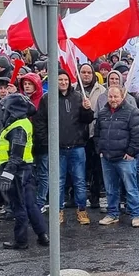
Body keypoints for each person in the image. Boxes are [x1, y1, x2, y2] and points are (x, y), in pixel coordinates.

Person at [0, 93, 49, 249]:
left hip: (17, 171)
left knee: (18, 206)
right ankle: (42, 236)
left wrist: (7, 174)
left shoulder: (18, 127)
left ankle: (21, 241)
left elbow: (15, 154)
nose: (3, 110)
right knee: (31, 205)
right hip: (25, 169)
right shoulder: (23, 123)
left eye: (5, 108)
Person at [94, 84, 139, 227]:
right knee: (110, 189)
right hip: (107, 157)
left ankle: (136, 215)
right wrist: (100, 150)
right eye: (110, 96)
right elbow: (97, 133)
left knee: (131, 188)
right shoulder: (103, 112)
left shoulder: (132, 112)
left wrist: (131, 152)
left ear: (122, 96)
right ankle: (112, 214)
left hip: (125, 158)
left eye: (116, 96)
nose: (113, 99)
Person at [53, 71, 95, 225]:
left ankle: (82, 210)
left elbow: (88, 120)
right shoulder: (48, 98)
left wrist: (87, 109)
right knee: (58, 181)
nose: (63, 82)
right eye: (60, 79)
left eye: (65, 80)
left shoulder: (78, 97)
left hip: (77, 146)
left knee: (79, 180)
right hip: (58, 147)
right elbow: (42, 122)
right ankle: (58, 211)